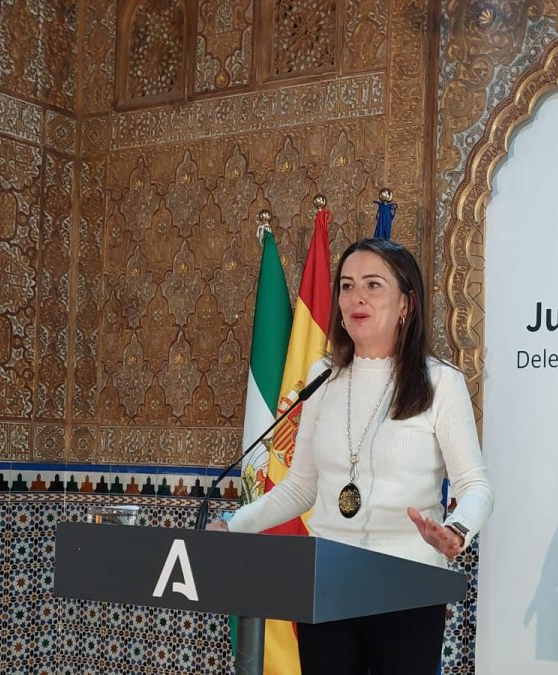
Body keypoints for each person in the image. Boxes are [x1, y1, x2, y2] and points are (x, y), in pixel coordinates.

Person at [210, 238, 493, 675]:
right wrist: (233, 527)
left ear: (406, 303)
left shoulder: (440, 382)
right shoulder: (322, 376)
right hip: (328, 584)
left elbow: (475, 485)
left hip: (408, 585)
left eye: (373, 285)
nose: (355, 297)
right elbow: (302, 486)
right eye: (346, 286)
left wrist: (457, 530)